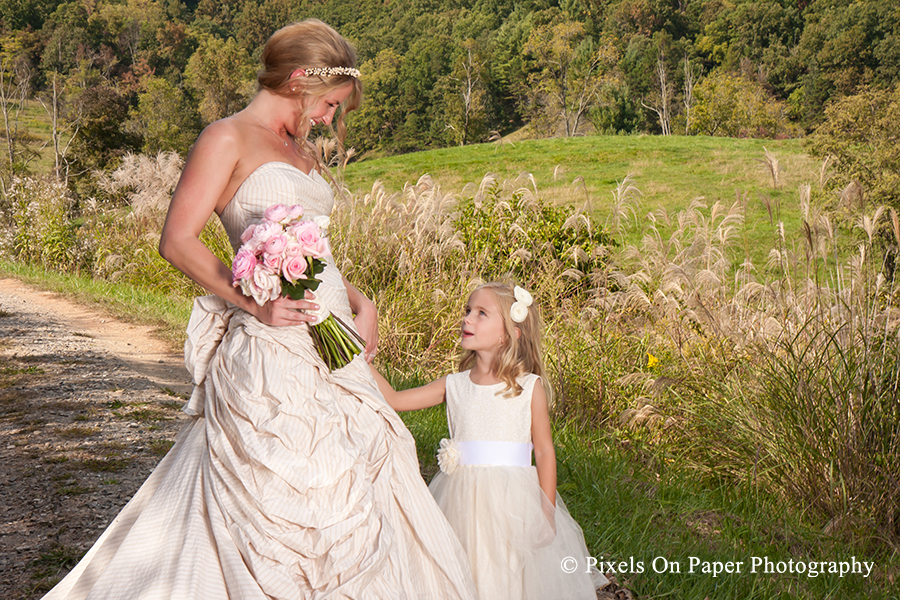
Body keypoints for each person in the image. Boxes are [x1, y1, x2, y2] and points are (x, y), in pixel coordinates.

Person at [41, 20, 478, 600]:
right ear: (299, 79)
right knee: (284, 486)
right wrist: (254, 304)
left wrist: (357, 301)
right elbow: (177, 240)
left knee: (363, 473)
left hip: (332, 340)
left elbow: (312, 249)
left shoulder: (298, 150)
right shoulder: (228, 138)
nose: (327, 119)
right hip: (273, 346)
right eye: (327, 104)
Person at [371, 282, 608, 600]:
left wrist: (547, 512)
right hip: (459, 499)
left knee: (506, 573)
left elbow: (545, 451)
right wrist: (361, 359)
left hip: (511, 502)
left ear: (508, 333)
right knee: (460, 569)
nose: (467, 319)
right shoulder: (453, 385)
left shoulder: (528, 387)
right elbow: (395, 399)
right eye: (467, 311)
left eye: (481, 313)